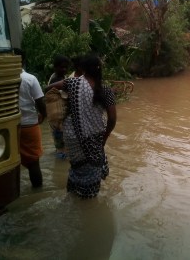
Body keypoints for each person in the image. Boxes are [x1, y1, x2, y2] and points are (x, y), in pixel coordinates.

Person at [45, 54, 117, 199]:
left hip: (73, 137)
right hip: (95, 137)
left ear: (83, 69)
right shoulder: (106, 91)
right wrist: (105, 136)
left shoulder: (72, 83)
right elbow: (112, 119)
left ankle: (73, 192)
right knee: (92, 167)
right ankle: (88, 199)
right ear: (99, 69)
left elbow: (48, 88)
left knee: (76, 167)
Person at [14, 48, 47, 188]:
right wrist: (43, 115)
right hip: (29, 125)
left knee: (10, 164)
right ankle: (37, 192)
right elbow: (40, 102)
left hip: (8, 127)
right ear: (24, 61)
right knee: (34, 163)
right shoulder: (30, 79)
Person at [47, 54, 70, 159]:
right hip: (57, 120)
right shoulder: (55, 79)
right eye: (62, 67)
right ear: (55, 67)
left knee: (61, 144)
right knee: (61, 147)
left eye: (66, 67)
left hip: (60, 119)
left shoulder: (61, 77)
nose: (64, 69)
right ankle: (60, 166)